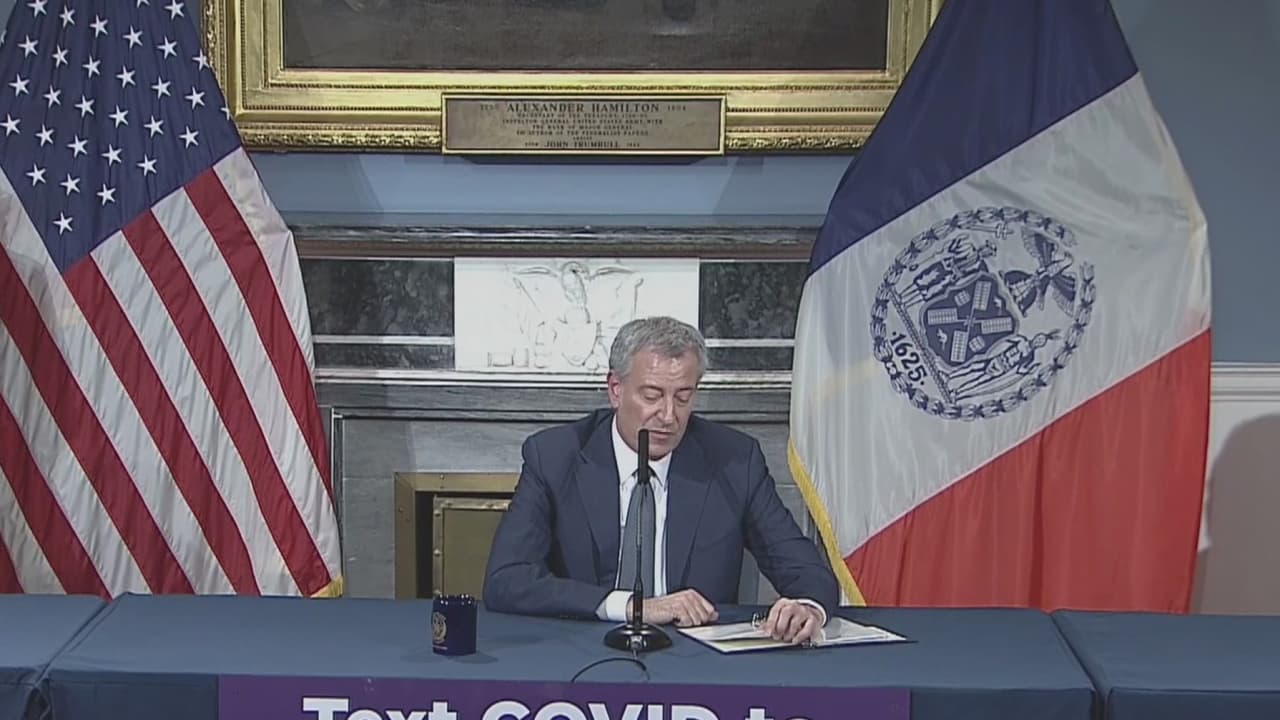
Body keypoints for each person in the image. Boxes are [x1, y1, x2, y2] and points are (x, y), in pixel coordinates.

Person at [483, 316, 839, 645]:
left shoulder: (733, 461)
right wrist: (633, 607)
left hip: (696, 662)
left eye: (683, 397)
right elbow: (507, 579)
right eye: (652, 396)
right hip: (581, 652)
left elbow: (807, 571)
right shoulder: (555, 457)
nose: (669, 416)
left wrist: (806, 607)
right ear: (615, 389)